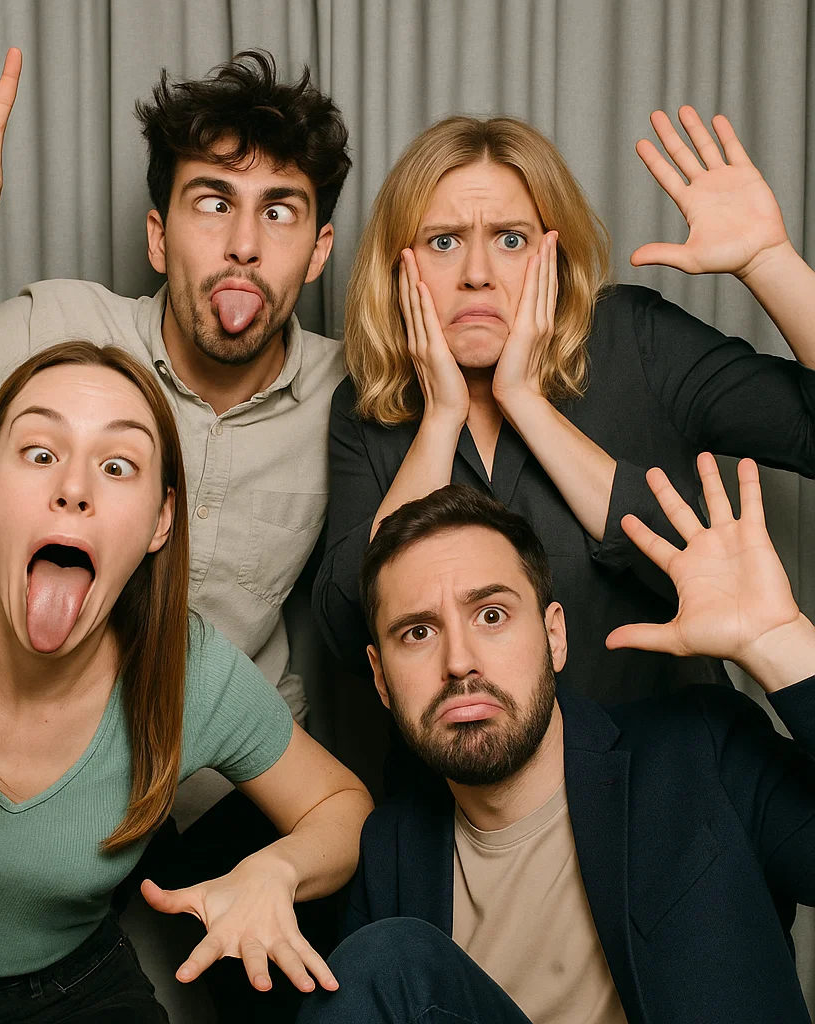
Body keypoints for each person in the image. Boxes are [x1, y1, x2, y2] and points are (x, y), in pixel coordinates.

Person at [0, 38, 352, 1016]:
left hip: (209, 776)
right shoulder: (54, 340)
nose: (243, 244)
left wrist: (276, 867)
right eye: (212, 202)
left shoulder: (358, 397)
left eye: (279, 212)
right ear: (157, 236)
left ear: (319, 249)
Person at [0, 341, 372, 1022]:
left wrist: (278, 871)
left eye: (117, 466)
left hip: (70, 996)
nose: (74, 488)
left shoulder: (187, 672)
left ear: (160, 522)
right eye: (41, 454)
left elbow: (342, 806)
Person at [313, 108, 815, 703]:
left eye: (511, 240)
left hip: (679, 751)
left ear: (554, 256)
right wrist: (442, 420)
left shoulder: (635, 338)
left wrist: (768, 261)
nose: (477, 274)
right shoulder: (367, 407)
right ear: (399, 264)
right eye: (444, 242)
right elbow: (349, 631)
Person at [298, 460, 815, 1024]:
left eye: (491, 615)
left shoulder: (700, 750)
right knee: (383, 958)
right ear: (380, 678)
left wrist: (782, 644)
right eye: (418, 632)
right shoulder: (391, 852)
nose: (459, 661)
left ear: (554, 636)